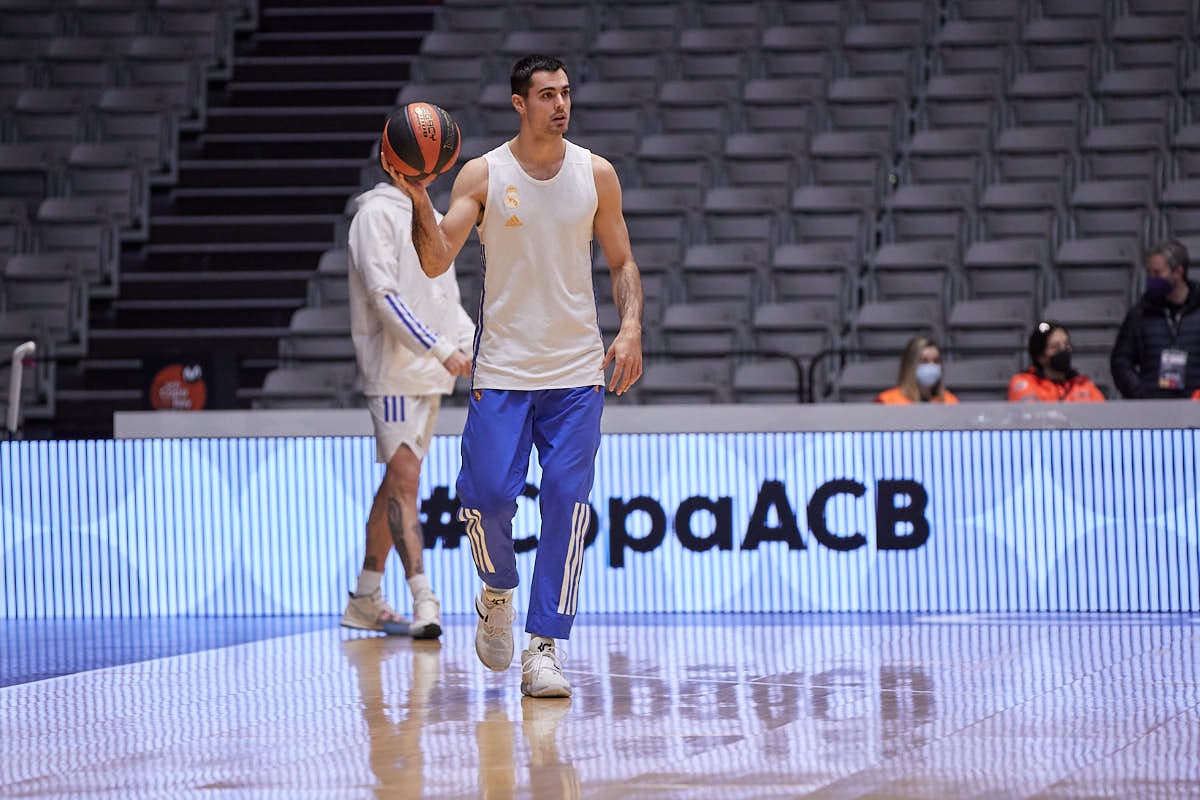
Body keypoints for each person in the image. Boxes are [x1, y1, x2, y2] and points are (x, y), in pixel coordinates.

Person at [395, 55, 644, 697]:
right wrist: (419, 192)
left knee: (567, 503)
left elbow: (621, 262)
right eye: (546, 95)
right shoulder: (483, 172)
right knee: (482, 499)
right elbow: (434, 259)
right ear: (518, 104)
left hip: (575, 373)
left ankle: (544, 647)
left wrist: (632, 327)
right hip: (502, 369)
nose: (560, 105)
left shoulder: (597, 174)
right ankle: (497, 590)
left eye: (566, 94)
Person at [341, 130, 475, 639]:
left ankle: (365, 596)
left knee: (395, 485)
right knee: (406, 484)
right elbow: (384, 297)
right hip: (393, 373)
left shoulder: (433, 220)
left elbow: (447, 302)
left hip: (429, 377)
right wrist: (442, 350)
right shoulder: (373, 216)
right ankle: (426, 599)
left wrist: (471, 348)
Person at [1111, 239, 1200, 399]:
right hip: (1153, 407)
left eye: (1157, 273)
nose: (1151, 278)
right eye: (1149, 272)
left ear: (1178, 272)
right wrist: (1139, 393)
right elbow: (1121, 361)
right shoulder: (1140, 313)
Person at [1008, 322, 1105, 402]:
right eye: (1055, 347)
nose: (1063, 350)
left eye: (1066, 345)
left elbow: (1103, 415)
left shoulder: (1083, 384)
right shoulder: (1024, 382)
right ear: (1040, 356)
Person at [874, 336, 958, 404]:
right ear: (910, 365)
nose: (931, 366)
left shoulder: (950, 401)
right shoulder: (887, 401)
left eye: (936, 361)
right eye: (924, 361)